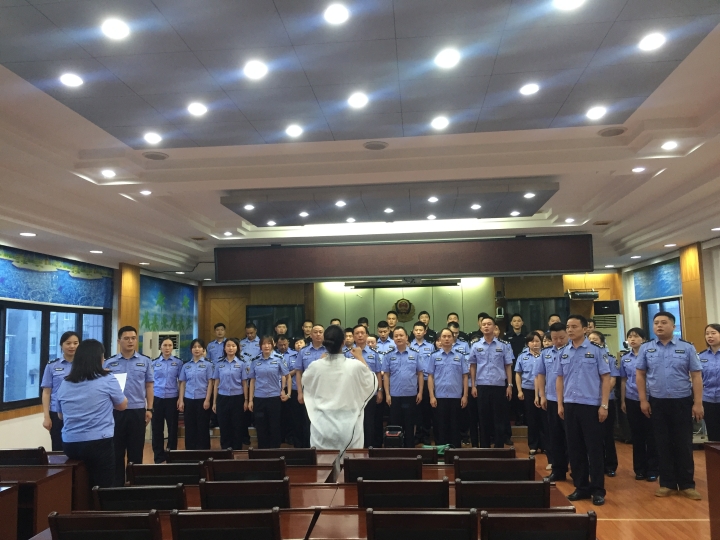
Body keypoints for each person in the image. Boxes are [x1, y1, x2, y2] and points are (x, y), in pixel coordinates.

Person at [636, 311, 704, 500]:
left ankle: (687, 484)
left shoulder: (687, 347)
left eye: (664, 322)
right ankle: (667, 483)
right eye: (656, 322)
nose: (659, 325)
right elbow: (640, 374)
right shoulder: (646, 348)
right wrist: (643, 400)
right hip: (657, 402)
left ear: (673, 326)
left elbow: (696, 376)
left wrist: (698, 403)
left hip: (682, 401)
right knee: (662, 443)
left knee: (683, 443)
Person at [556, 315, 611, 506]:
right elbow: (559, 379)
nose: (570, 330)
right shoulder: (563, 352)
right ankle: (581, 487)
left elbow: (606, 378)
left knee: (594, 449)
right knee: (575, 448)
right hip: (570, 404)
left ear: (585, 328)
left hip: (591, 405)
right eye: (568, 327)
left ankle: (597, 489)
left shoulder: (597, 350)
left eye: (574, 326)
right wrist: (560, 404)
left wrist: (604, 405)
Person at [57, 339, 127, 488]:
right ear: (99, 359)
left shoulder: (65, 382)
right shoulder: (107, 379)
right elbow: (122, 406)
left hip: (70, 444)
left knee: (81, 486)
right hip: (98, 443)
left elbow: (60, 416)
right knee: (104, 487)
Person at [302, 325, 378, 452]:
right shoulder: (355, 365)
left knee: (323, 462)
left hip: (322, 425)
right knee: (349, 462)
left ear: (325, 342)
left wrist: (320, 362)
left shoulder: (315, 366)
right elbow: (372, 382)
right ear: (343, 342)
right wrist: (360, 358)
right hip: (348, 424)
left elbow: (306, 384)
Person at [104, 326, 153, 486]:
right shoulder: (109, 363)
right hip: (115, 412)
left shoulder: (145, 361)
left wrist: (149, 409)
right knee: (116, 450)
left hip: (137, 411)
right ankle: (117, 484)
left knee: (136, 450)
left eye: (133, 338)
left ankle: (134, 483)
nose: (130, 341)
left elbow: (149, 386)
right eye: (126, 338)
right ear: (119, 341)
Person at [619, 327, 658, 481]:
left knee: (651, 434)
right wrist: (623, 400)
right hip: (631, 398)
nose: (632, 339)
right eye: (630, 337)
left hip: (650, 398)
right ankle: (639, 469)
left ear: (644, 339)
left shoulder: (651, 355)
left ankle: (653, 468)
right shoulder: (625, 358)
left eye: (636, 336)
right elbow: (623, 380)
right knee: (637, 435)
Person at [469, 316, 513, 448]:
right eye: (484, 324)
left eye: (489, 324)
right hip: (482, 386)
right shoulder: (475, 345)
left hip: (499, 386)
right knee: (483, 418)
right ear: (480, 327)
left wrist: (509, 385)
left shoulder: (503, 345)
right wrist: (473, 385)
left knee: (499, 418)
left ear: (494, 327)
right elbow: (473, 366)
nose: (486, 326)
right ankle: (485, 447)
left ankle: (499, 447)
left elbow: (508, 366)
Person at [535, 322, 569, 478]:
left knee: (572, 437)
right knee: (555, 436)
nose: (558, 341)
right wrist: (542, 395)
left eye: (561, 337)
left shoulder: (572, 351)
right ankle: (558, 470)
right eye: (554, 338)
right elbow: (541, 374)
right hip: (552, 399)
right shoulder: (546, 353)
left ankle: (576, 469)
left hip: (570, 400)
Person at [427, 328, 469, 448]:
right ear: (439, 339)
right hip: (439, 397)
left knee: (455, 426)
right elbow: (430, 377)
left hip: (456, 397)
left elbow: (465, 376)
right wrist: (431, 396)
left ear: (453, 338)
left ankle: (455, 451)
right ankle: (441, 451)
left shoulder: (460, 356)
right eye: (444, 336)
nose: (446, 339)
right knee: (440, 426)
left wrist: (465, 396)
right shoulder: (434, 356)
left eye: (449, 336)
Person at [382, 327, 424, 447]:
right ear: (393, 338)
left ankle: (409, 449)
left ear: (406, 337)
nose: (399, 338)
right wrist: (387, 394)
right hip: (394, 396)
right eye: (396, 336)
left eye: (401, 335)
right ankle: (396, 450)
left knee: (410, 424)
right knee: (395, 425)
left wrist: (420, 392)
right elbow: (386, 375)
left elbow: (420, 374)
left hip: (410, 395)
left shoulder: (415, 354)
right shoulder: (388, 355)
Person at [248, 336, 290, 448]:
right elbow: (252, 381)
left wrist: (286, 392)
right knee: (261, 426)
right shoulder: (255, 360)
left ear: (273, 345)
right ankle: (262, 452)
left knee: (274, 425)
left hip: (274, 398)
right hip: (259, 398)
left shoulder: (279, 358)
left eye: (269, 343)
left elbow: (287, 376)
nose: (266, 346)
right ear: (260, 346)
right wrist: (250, 400)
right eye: (264, 344)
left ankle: (275, 451)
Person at [588, 330, 620, 477]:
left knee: (607, 434)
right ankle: (596, 465)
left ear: (602, 342)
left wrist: (602, 395)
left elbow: (612, 380)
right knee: (593, 436)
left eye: (595, 339)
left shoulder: (610, 358)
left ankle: (610, 465)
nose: (592, 341)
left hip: (607, 400)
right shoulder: (585, 356)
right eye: (590, 339)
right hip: (590, 401)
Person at [346, 324, 384, 447]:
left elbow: (378, 373)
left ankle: (369, 448)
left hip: (370, 393)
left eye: (362, 333)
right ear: (353, 336)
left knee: (369, 422)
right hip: (353, 394)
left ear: (367, 335)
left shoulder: (374, 353)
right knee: (354, 422)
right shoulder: (347, 354)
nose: (360, 335)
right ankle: (355, 448)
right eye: (357, 333)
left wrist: (380, 390)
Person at [41, 331, 79, 450]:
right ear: (61, 345)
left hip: (78, 412)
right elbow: (46, 392)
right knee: (58, 447)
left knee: (77, 447)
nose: (72, 346)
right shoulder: (52, 365)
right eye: (68, 343)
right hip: (56, 412)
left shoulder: (84, 365)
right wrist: (46, 417)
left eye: (75, 343)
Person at [212, 337, 248, 450]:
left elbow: (244, 383)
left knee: (237, 425)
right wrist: (214, 402)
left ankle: (237, 448)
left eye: (233, 346)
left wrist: (246, 400)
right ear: (224, 348)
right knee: (224, 425)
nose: (230, 348)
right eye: (228, 346)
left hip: (237, 397)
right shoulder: (219, 364)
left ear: (237, 348)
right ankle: (225, 449)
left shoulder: (241, 364)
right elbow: (216, 383)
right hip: (222, 398)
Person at [178, 339, 214, 450]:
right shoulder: (186, 366)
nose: (197, 349)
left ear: (203, 349)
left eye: (199, 347)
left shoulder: (208, 365)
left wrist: (207, 400)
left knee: (203, 426)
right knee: (189, 426)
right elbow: (182, 383)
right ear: (191, 350)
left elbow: (210, 383)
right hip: (188, 399)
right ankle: (190, 451)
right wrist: (181, 400)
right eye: (194, 347)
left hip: (202, 399)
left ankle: (203, 451)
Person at [151, 338, 182, 463]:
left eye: (170, 345)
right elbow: (150, 382)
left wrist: (180, 399)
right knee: (157, 429)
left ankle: (171, 455)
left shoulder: (178, 363)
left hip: (172, 398)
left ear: (173, 347)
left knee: (172, 428)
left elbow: (181, 382)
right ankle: (158, 456)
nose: (167, 348)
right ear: (160, 347)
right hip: (157, 398)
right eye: (165, 345)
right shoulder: (154, 363)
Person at [296, 325, 327, 447]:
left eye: (321, 332)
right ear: (311, 335)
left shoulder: (329, 350)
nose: (318, 334)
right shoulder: (303, 351)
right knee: (307, 421)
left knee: (324, 421)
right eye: (316, 332)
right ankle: (309, 449)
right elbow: (298, 372)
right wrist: (300, 392)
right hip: (308, 392)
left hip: (325, 392)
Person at [515, 332, 545, 455]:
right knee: (531, 418)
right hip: (528, 389)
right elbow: (518, 373)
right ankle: (533, 445)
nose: (535, 343)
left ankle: (544, 445)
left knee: (543, 418)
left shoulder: (545, 355)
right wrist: (519, 390)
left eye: (537, 341)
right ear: (528, 343)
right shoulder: (522, 356)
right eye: (532, 341)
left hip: (543, 391)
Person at [411, 321, 436, 445]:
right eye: (416, 330)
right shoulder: (409, 345)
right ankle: (417, 434)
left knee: (426, 410)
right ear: (413, 331)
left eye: (421, 330)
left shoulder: (430, 346)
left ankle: (426, 434)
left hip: (427, 380)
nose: (418, 332)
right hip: (413, 381)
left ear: (425, 331)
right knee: (415, 410)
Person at [700, 323, 720, 442]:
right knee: (713, 434)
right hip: (708, 400)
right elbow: (697, 379)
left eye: (713, 333)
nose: (710, 336)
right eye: (707, 334)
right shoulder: (700, 356)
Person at [286, 337, 305, 447]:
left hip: (308, 390)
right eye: (297, 343)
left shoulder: (307, 355)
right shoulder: (290, 357)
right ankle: (297, 443)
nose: (299, 344)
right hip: (294, 390)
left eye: (301, 342)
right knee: (295, 418)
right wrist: (297, 370)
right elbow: (286, 373)